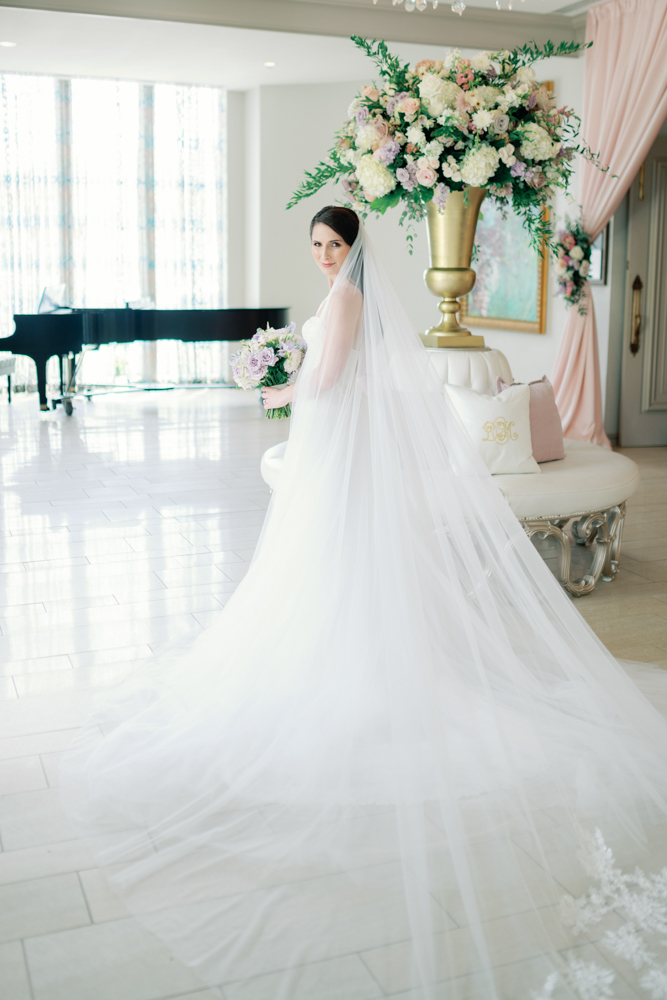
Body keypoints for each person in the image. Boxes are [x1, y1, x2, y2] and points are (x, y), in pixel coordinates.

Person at [61, 206, 667, 1000]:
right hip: (333, 450)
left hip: (334, 451)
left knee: (326, 561)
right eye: (314, 245)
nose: (322, 257)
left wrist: (280, 372)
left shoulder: (344, 301)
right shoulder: (348, 295)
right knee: (327, 564)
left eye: (332, 245)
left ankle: (352, 667)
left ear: (352, 249)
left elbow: (331, 378)